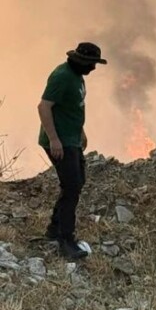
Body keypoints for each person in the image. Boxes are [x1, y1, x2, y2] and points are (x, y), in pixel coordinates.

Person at [37, 42, 107, 260]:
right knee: (72, 187)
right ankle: (65, 240)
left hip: (72, 138)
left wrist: (81, 132)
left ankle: (53, 229)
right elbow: (44, 106)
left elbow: (73, 107)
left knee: (76, 182)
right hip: (60, 141)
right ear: (80, 60)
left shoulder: (77, 77)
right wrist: (54, 139)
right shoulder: (62, 76)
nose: (93, 68)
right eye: (91, 63)